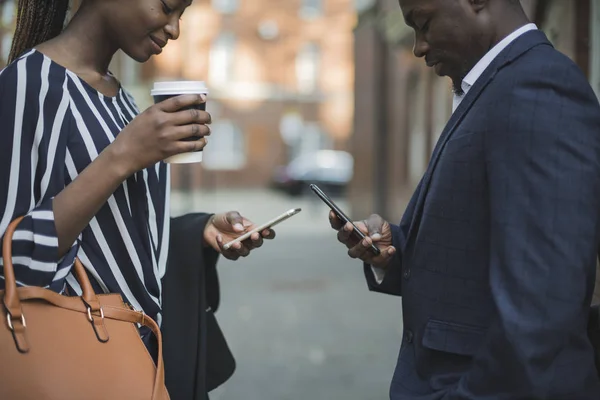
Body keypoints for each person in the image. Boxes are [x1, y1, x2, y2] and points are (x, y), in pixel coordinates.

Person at [0, 0, 273, 398]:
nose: (175, 28)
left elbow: (117, 237)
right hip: (76, 363)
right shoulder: (27, 84)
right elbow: (13, 257)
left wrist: (199, 230)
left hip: (143, 358)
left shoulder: (123, 100)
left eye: (182, 14)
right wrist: (122, 156)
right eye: (166, 6)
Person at [330, 0, 600, 398]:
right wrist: (395, 252)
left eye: (423, 24)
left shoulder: (538, 87)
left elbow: (542, 310)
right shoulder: (493, 87)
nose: (418, 47)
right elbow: (492, 239)